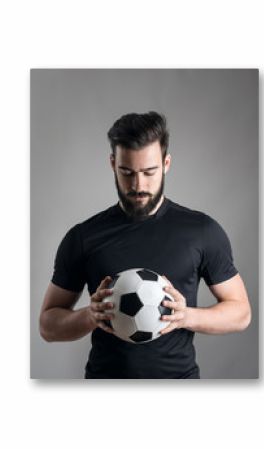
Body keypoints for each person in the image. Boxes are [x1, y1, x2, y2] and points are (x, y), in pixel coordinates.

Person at [39, 111, 251, 379]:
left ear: (166, 163)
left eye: (149, 172)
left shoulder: (202, 231)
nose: (138, 185)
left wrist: (185, 317)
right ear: (112, 164)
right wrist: (89, 317)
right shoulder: (84, 236)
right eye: (127, 172)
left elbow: (241, 312)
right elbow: (47, 325)